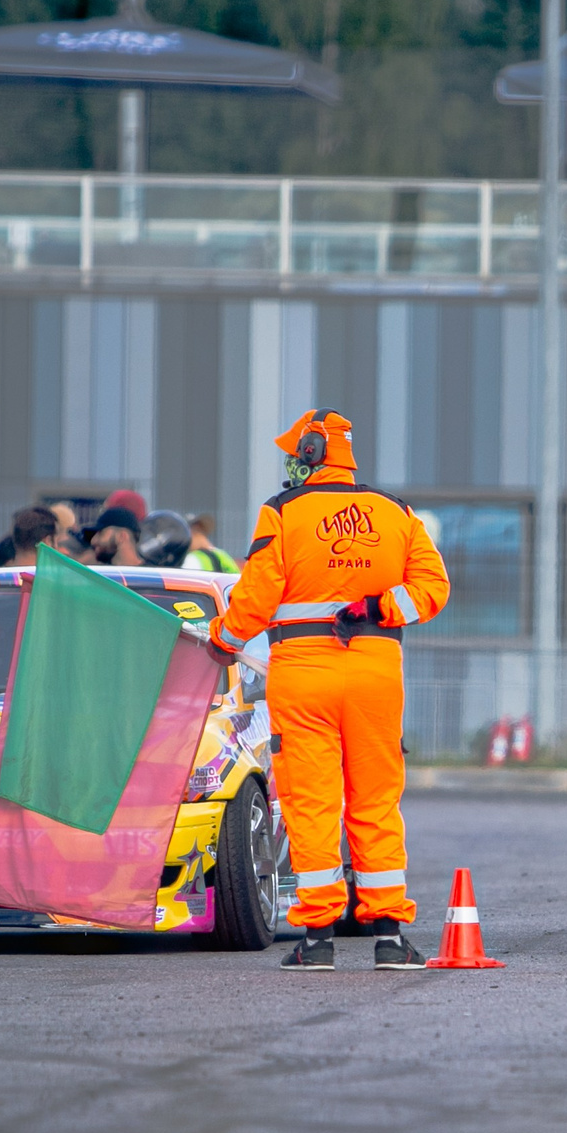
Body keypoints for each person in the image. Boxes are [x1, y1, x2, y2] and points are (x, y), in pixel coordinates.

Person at [210, 408, 450, 970]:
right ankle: (389, 934)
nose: (291, 461)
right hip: (374, 670)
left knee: (312, 801)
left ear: (312, 451)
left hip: (303, 672)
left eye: (296, 451)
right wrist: (380, 606)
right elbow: (433, 588)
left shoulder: (282, 512)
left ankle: (316, 940)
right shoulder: (394, 512)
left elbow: (257, 595)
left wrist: (225, 637)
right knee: (375, 799)